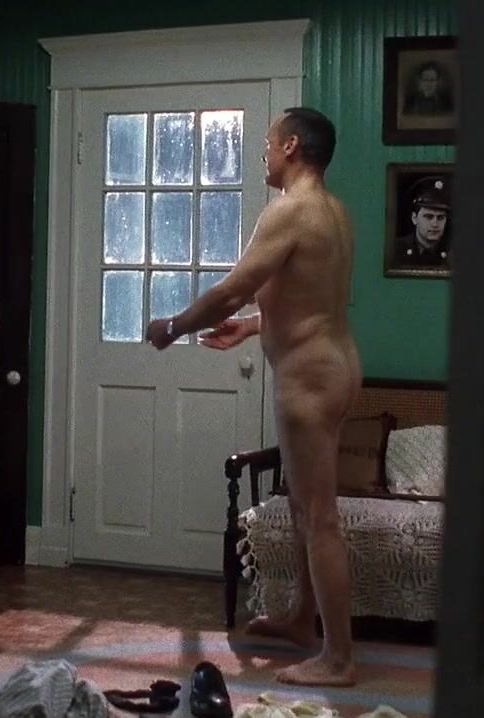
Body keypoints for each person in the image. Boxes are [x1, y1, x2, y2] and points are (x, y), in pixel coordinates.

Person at [145, 107, 360, 687]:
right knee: (305, 509)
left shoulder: (289, 210)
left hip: (309, 378)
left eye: (268, 142)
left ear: (291, 146)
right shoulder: (333, 212)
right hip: (335, 364)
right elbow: (311, 301)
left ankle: (339, 659)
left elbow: (232, 288)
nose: (262, 152)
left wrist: (173, 326)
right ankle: (301, 622)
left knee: (319, 517)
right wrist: (249, 327)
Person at [391, 175, 450, 269]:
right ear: (414, 218)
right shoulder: (394, 251)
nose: (435, 224)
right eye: (428, 217)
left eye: (440, 217)